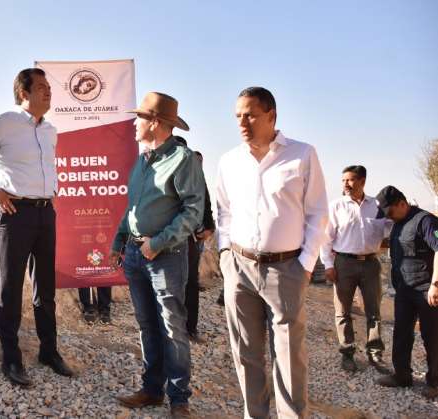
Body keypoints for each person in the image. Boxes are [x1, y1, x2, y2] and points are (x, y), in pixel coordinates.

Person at [216, 87, 328, 418]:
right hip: (239, 268)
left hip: (286, 269)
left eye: (250, 114)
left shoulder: (302, 155)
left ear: (271, 116)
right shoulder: (229, 161)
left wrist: (305, 265)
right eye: (238, 115)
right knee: (246, 353)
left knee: (289, 356)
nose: (242, 122)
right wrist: (224, 256)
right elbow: (223, 212)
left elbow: (317, 213)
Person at [0, 68, 73, 387]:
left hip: (45, 213)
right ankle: (11, 359)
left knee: (45, 288)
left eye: (49, 87)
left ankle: (49, 352)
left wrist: (52, 188)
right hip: (14, 213)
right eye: (41, 87)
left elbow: (45, 167)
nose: (49, 92)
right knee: (10, 290)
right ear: (23, 93)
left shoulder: (50, 130)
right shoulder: (5, 122)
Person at [110, 92, 205, 419]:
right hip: (136, 255)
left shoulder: (183, 158)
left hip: (164, 256)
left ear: (155, 123)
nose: (134, 124)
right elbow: (132, 209)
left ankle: (179, 399)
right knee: (147, 325)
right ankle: (151, 390)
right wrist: (119, 240)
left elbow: (193, 211)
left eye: (139, 118)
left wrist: (159, 242)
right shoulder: (141, 160)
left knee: (172, 328)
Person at [319, 165, 391, 373]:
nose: (346, 184)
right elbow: (326, 238)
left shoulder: (377, 206)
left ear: (362, 181)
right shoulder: (336, 206)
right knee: (342, 311)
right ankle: (347, 353)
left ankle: (375, 354)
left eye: (350, 180)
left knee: (374, 310)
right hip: (344, 264)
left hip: (370, 263)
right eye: (343, 181)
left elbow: (390, 226)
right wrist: (329, 265)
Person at [374, 186, 438, 399]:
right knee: (401, 333)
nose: (388, 218)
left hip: (426, 291)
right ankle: (402, 375)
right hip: (404, 290)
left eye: (390, 212)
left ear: (402, 203)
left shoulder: (425, 221)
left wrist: (435, 285)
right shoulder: (398, 224)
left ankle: (435, 382)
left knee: (432, 337)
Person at [174, 140, 215, 341]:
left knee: (190, 282)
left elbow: (205, 197)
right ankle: (173, 329)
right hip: (167, 236)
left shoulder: (194, 169)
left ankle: (190, 328)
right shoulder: (159, 167)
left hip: (190, 236)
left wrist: (209, 225)